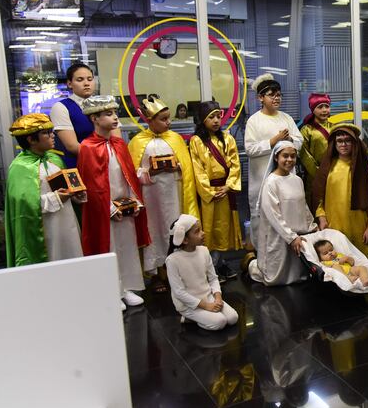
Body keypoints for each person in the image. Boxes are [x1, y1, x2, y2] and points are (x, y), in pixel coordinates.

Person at [76, 95, 150, 311]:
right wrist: (108, 207)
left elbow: (128, 175)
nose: (115, 117)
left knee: (126, 246)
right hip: (104, 210)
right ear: (95, 119)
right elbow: (91, 184)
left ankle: (126, 287)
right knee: (109, 248)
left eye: (115, 113)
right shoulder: (87, 147)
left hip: (124, 205)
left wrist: (134, 201)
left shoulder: (118, 143)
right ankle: (112, 290)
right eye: (109, 114)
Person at [128, 96, 200, 293]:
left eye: (169, 118)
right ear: (149, 120)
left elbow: (186, 167)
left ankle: (179, 269)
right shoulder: (137, 142)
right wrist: (149, 173)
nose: (168, 122)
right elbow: (132, 173)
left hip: (174, 194)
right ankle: (158, 272)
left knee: (175, 227)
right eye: (163, 119)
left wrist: (177, 167)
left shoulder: (175, 139)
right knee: (155, 230)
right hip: (151, 196)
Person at [5, 113, 84, 267]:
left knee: (73, 260)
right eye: (46, 133)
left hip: (68, 224)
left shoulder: (54, 159)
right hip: (45, 229)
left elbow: (66, 187)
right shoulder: (20, 167)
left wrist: (76, 195)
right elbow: (23, 206)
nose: (52, 135)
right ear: (31, 139)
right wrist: (55, 198)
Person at [244, 73, 303, 242]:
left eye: (279, 95)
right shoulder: (254, 121)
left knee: (287, 214)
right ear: (260, 98)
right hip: (262, 179)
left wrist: (290, 140)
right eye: (272, 95)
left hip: (286, 179)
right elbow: (250, 149)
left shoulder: (287, 118)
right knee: (264, 218)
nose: (277, 98)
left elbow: (299, 140)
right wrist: (273, 142)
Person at [189, 101, 243, 283]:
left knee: (224, 229)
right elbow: (197, 169)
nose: (216, 121)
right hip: (210, 192)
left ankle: (220, 263)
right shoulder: (197, 141)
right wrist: (209, 191)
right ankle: (208, 267)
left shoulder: (228, 138)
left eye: (218, 116)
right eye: (211, 117)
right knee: (209, 230)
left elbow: (235, 164)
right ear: (203, 120)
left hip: (226, 190)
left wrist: (229, 185)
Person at [251, 140, 317, 286]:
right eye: (285, 156)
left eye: (293, 156)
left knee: (300, 274)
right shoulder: (271, 182)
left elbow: (303, 206)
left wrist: (312, 225)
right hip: (278, 235)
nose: (289, 160)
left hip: (297, 234)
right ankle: (251, 263)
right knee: (275, 279)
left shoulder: (297, 180)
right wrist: (290, 237)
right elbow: (273, 214)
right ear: (276, 158)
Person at [313, 124, 368, 261]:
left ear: (354, 143)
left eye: (347, 140)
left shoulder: (367, 168)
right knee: (340, 264)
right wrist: (321, 217)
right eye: (339, 140)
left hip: (359, 225)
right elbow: (318, 195)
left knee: (365, 264)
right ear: (334, 143)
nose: (343, 144)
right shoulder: (327, 168)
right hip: (334, 224)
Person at [165, 214, 239, 331]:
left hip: (208, 297)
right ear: (185, 240)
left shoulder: (204, 251)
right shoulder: (172, 260)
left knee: (233, 318)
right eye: (197, 231)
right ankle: (189, 317)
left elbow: (213, 278)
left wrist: (218, 298)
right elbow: (179, 292)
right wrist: (206, 306)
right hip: (189, 304)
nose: (203, 233)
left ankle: (201, 317)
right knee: (220, 322)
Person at [50, 63, 119, 168]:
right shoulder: (60, 107)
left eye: (90, 79)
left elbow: (117, 139)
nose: (86, 83)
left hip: (110, 164)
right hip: (81, 166)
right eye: (80, 80)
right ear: (69, 83)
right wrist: (101, 156)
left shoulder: (105, 103)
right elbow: (72, 146)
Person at [299, 93, 333, 211]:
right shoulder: (307, 130)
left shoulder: (335, 127)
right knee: (316, 205)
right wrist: (318, 172)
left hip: (334, 173)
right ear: (313, 110)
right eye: (320, 107)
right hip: (315, 176)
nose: (324, 110)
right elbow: (304, 154)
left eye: (326, 106)